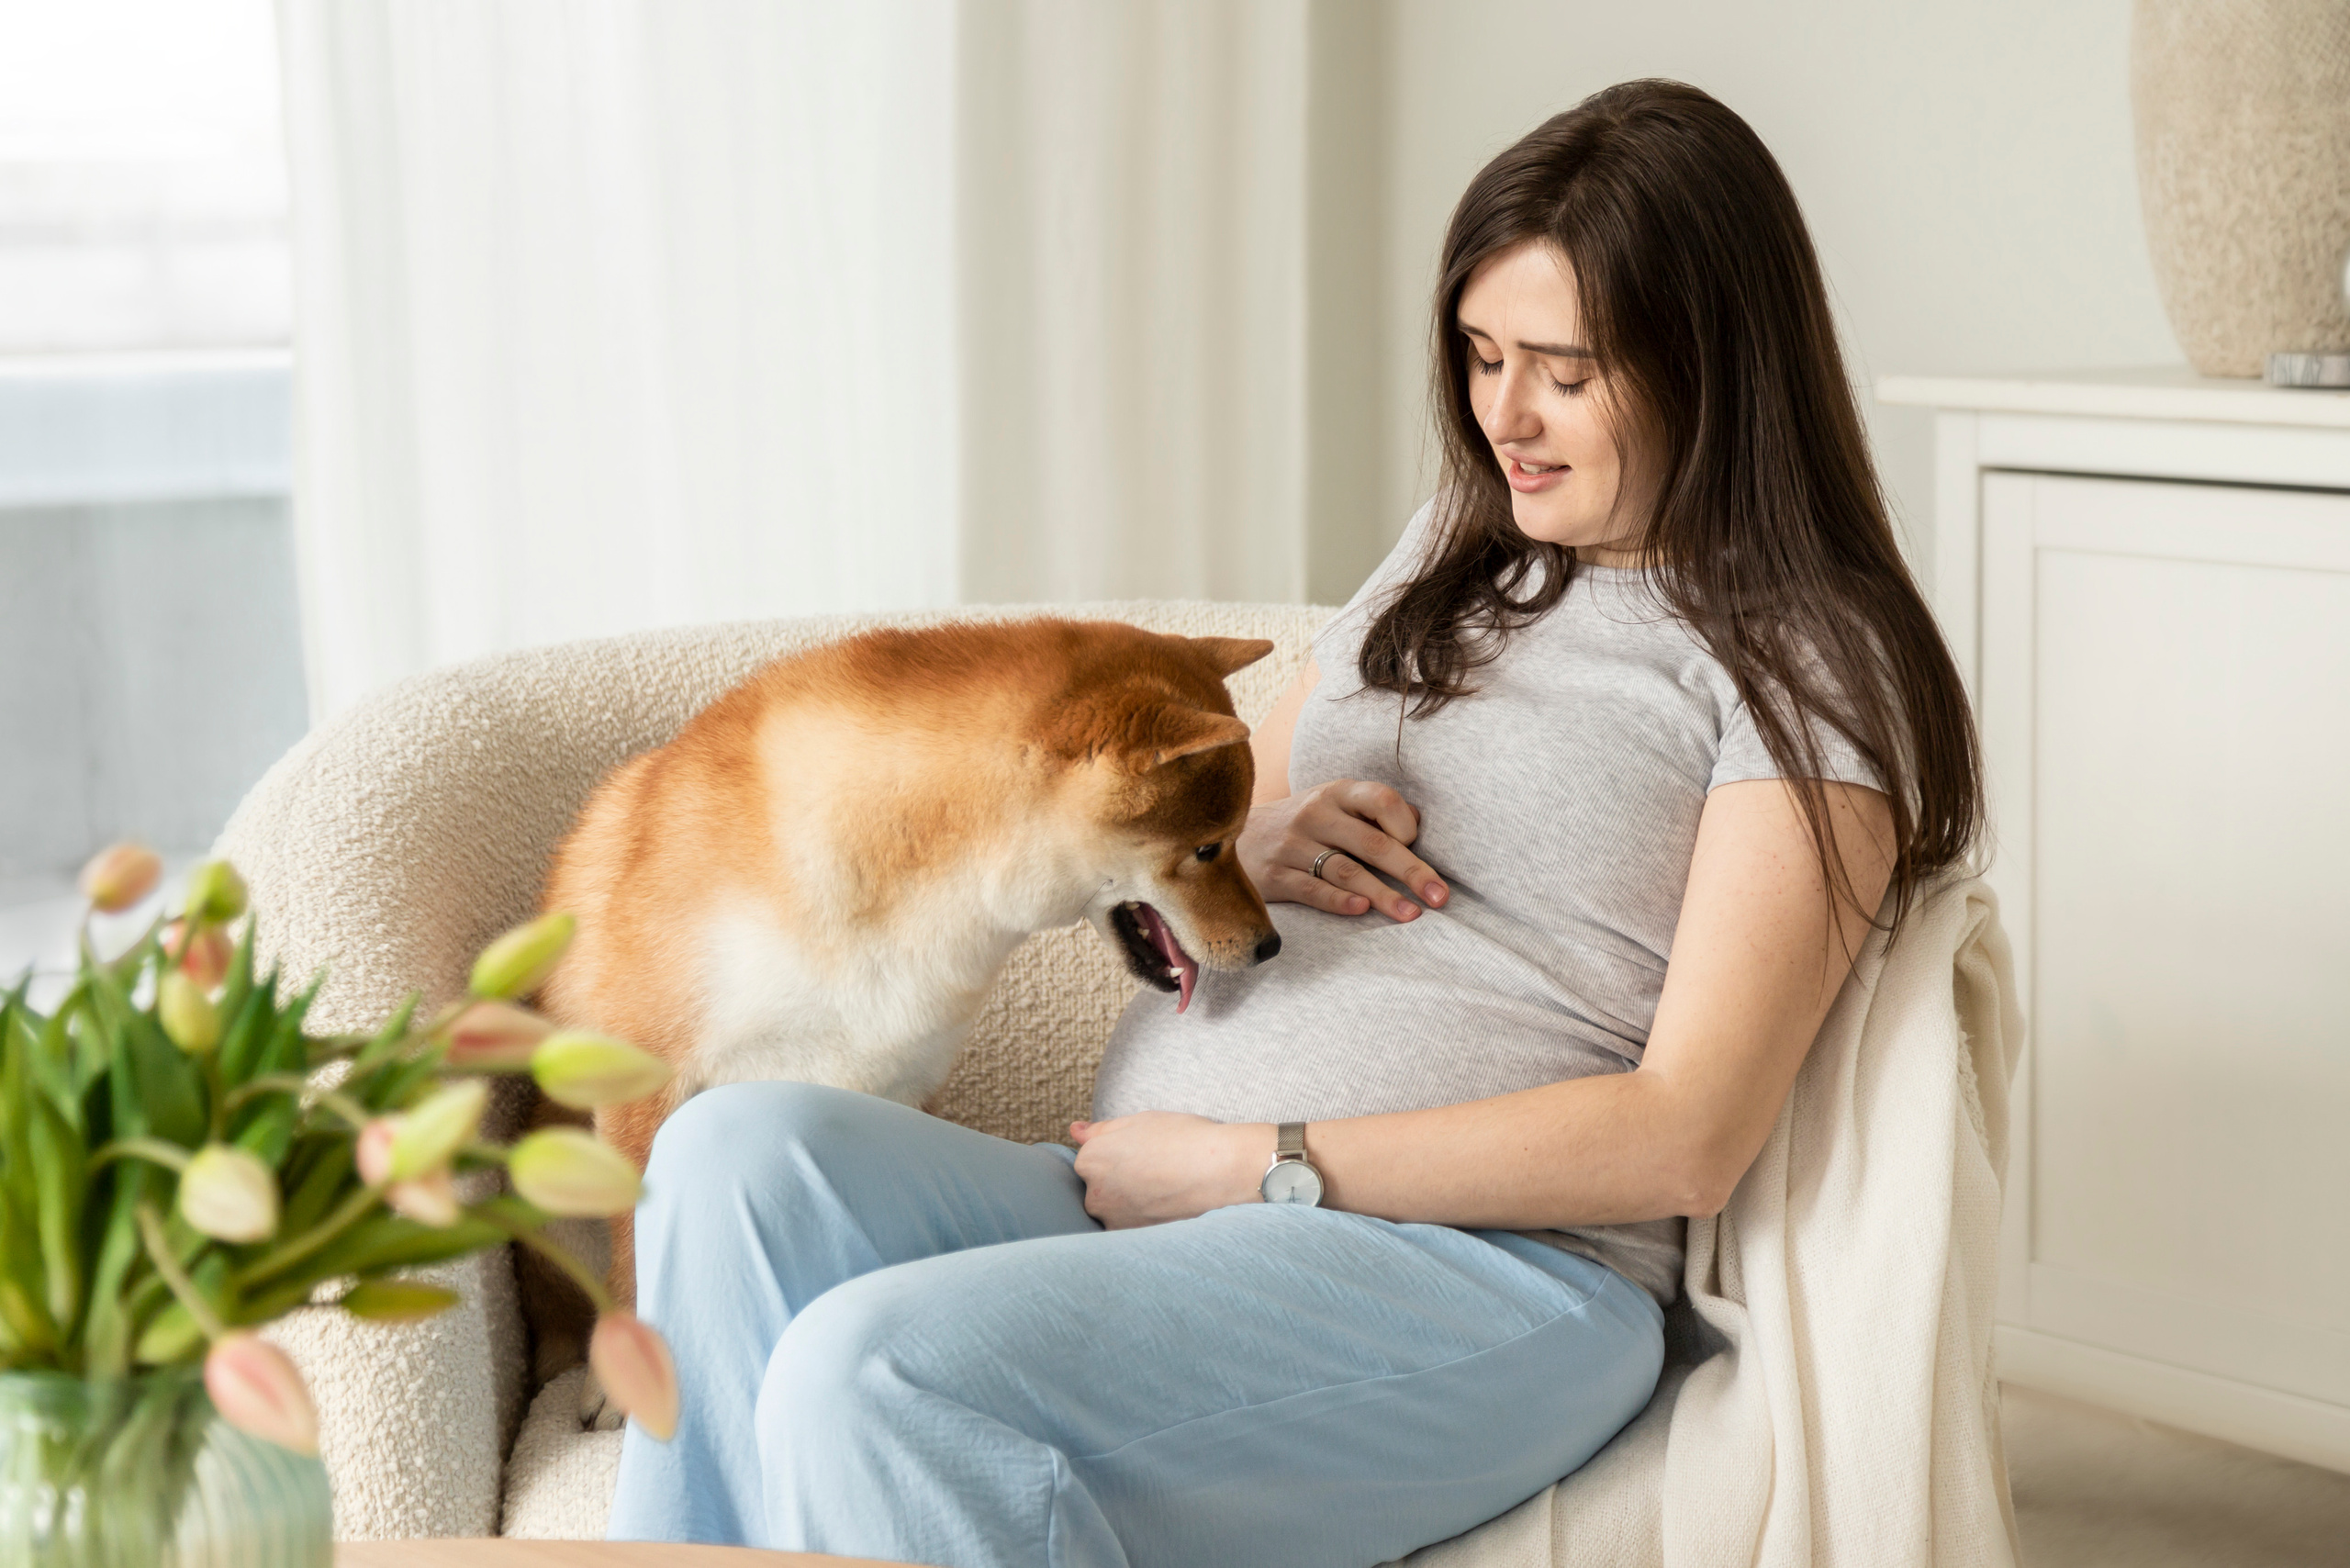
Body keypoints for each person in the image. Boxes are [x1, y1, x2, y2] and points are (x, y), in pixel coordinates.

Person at [606, 78, 1981, 1568]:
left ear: (1713, 366)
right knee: (731, 1159)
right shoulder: (1447, 563)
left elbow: (1687, 1136)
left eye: (1565, 375)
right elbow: (1185, 848)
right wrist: (1229, 858)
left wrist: (1260, 1161)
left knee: (875, 1374)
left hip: (1483, 1281)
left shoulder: (1806, 659)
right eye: (1479, 355)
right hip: (1155, 1209)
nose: (1503, 418)